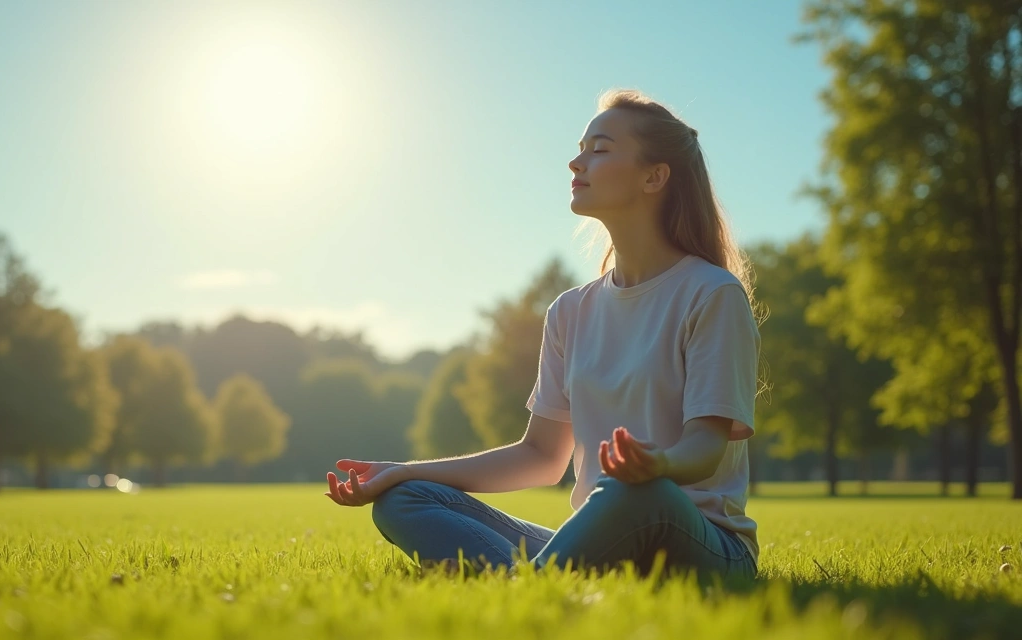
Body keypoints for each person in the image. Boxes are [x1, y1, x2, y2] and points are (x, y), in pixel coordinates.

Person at [324, 89, 762, 581]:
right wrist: (405, 470)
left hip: (703, 544)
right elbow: (541, 457)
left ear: (654, 176)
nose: (576, 163)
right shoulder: (571, 311)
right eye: (580, 148)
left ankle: (528, 585)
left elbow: (706, 448)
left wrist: (654, 466)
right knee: (405, 499)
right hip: (601, 534)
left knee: (631, 492)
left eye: (599, 148)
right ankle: (539, 580)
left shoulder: (711, 294)